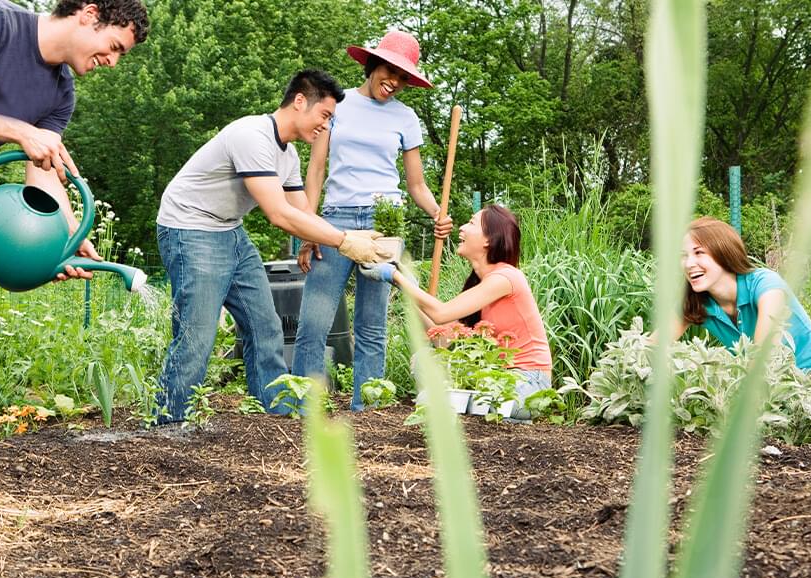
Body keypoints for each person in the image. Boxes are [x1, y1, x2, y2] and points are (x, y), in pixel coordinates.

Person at [155, 69, 389, 423]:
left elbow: (301, 211)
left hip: (230, 231)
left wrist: (328, 238)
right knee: (197, 335)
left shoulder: (288, 157)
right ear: (299, 101)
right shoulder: (252, 136)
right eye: (324, 115)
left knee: (266, 326)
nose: (326, 126)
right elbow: (279, 214)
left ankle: (276, 416)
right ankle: (168, 424)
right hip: (190, 229)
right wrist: (344, 241)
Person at [0, 0, 149, 342]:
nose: (112, 63)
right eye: (114, 48)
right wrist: (22, 131)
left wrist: (69, 238)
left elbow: (44, 167)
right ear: (89, 14)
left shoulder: (60, 95)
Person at [293, 30, 452, 410]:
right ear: (372, 65)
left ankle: (367, 409)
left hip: (386, 222)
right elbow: (315, 171)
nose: (393, 83)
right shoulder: (338, 106)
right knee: (313, 322)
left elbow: (416, 184)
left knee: (372, 326)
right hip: (337, 220)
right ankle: (303, 406)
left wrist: (438, 213)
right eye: (389, 72)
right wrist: (307, 228)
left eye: (402, 78)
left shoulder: (406, 117)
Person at [361, 205, 553, 420]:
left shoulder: (506, 278)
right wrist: (408, 289)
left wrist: (396, 277)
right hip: (495, 379)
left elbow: (441, 313)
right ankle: (496, 416)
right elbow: (445, 335)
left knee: (434, 400)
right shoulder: (481, 284)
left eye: (471, 223)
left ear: (489, 239)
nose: (461, 228)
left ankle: (504, 414)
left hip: (527, 385)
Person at [672, 216, 811, 382]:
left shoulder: (766, 284)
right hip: (778, 386)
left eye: (699, 253)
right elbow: (651, 346)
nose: (689, 264)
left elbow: (764, 357)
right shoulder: (695, 301)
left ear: (723, 253)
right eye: (684, 256)